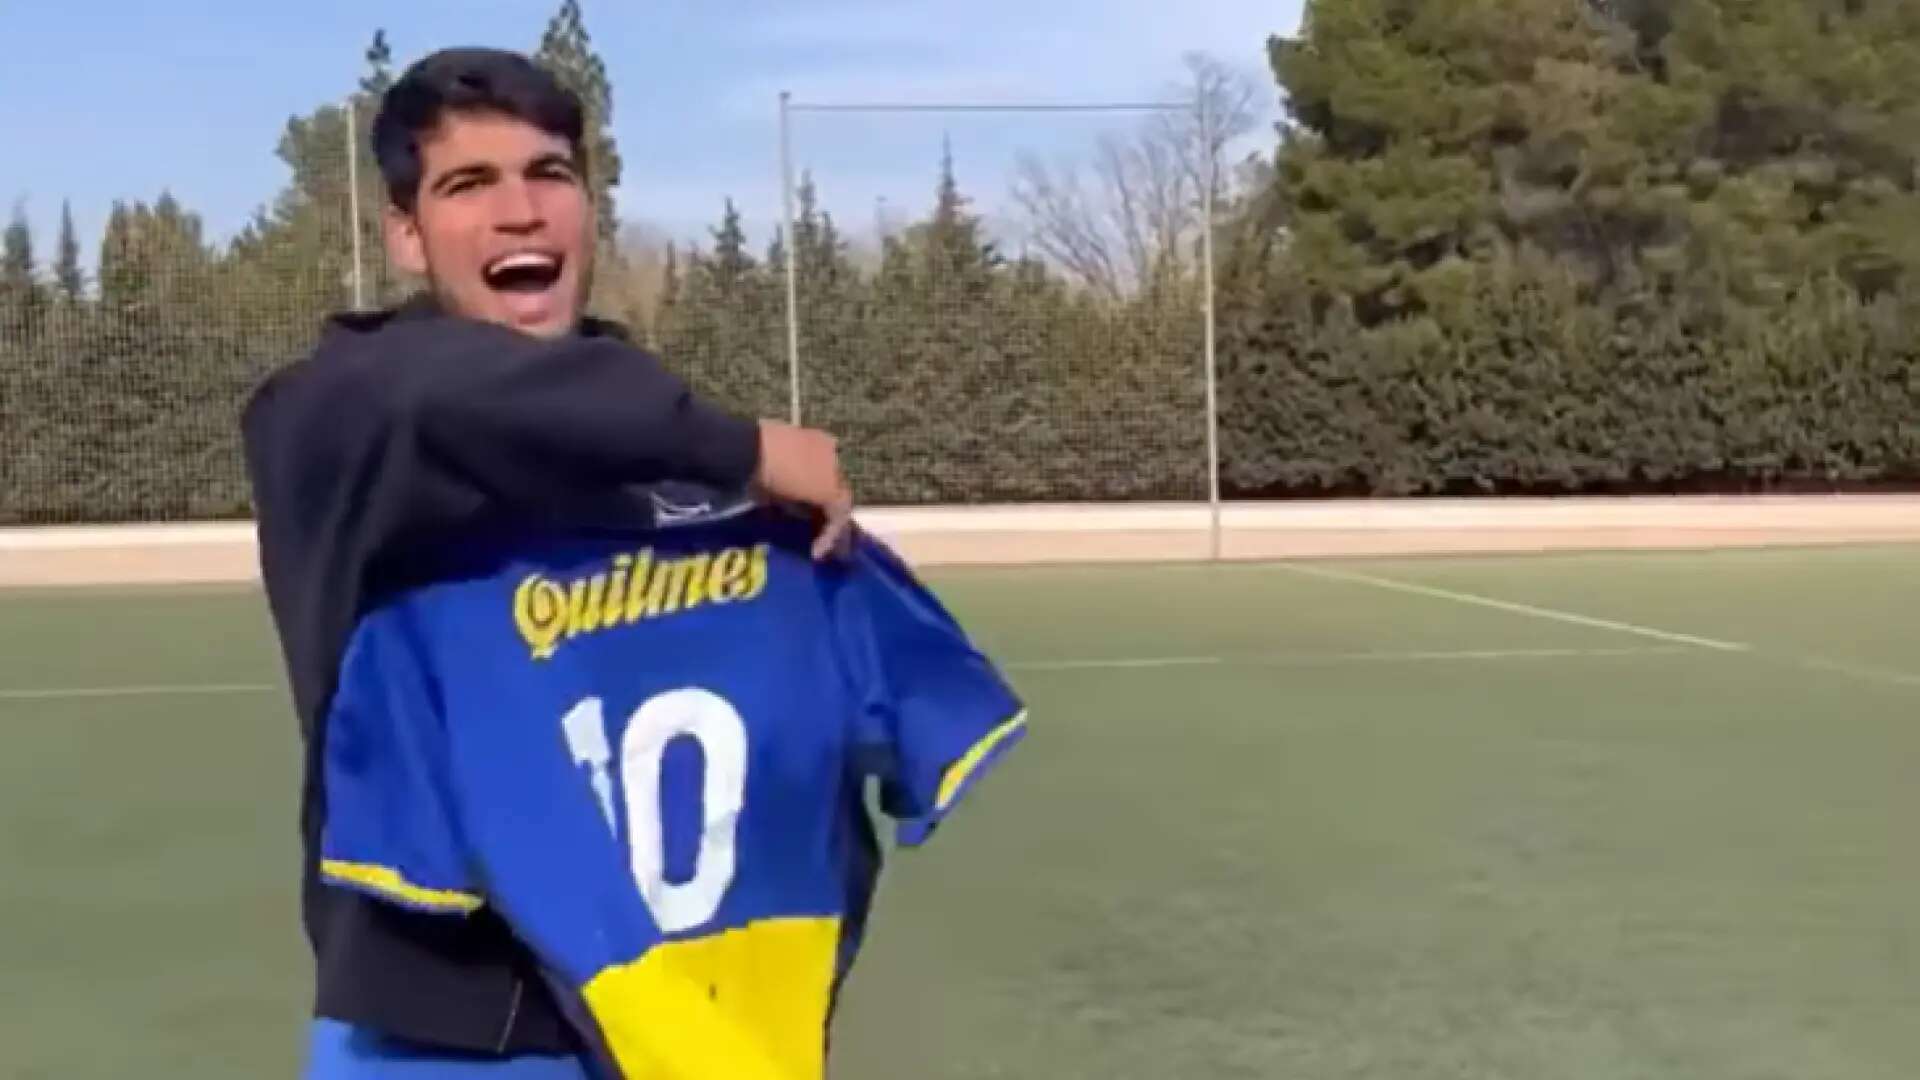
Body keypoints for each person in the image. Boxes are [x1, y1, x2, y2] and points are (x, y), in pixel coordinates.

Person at [242, 46, 857, 1068]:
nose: (519, 211)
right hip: (448, 1036)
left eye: (549, 174)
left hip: (672, 1022)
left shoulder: (655, 436)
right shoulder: (332, 418)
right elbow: (433, 393)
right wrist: (741, 445)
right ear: (405, 233)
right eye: (468, 184)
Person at [311, 482, 1029, 1077]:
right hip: (765, 1028)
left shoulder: (431, 594)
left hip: (519, 1023)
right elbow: (942, 723)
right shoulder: (805, 552)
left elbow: (409, 856)